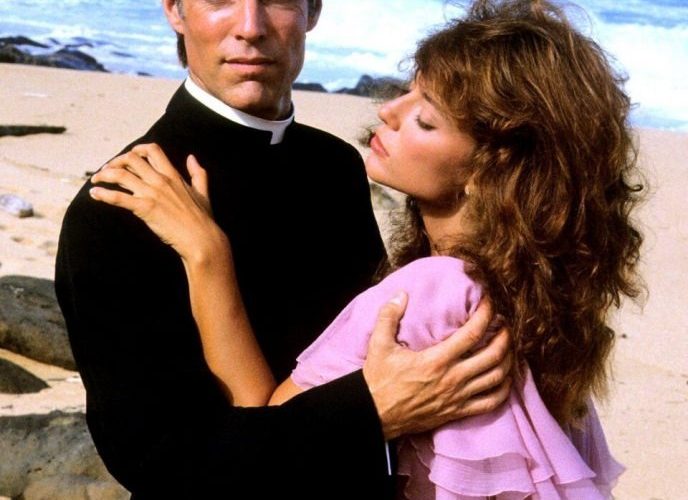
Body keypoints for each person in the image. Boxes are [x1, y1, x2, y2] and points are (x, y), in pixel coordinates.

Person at [89, 0, 644, 498]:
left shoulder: (336, 172)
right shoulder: (121, 202)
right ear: (174, 9)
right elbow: (160, 465)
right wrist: (369, 410)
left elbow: (285, 406)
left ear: (312, 9)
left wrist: (208, 257)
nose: (251, 27)